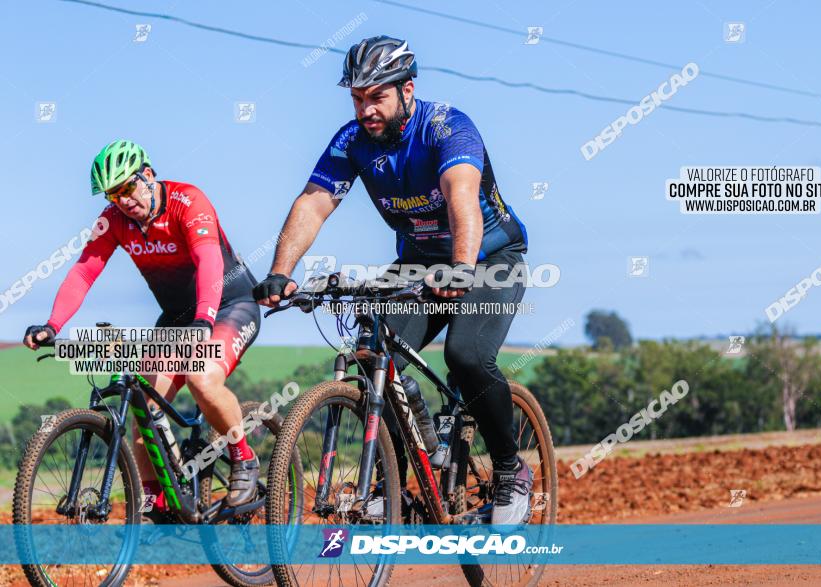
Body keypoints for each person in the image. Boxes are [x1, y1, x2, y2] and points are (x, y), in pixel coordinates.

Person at [252, 36, 533, 524]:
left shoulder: (447, 127)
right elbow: (314, 202)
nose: (366, 110)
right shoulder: (352, 141)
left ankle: (511, 469)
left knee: (465, 357)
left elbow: (460, 197)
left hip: (489, 257)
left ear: (407, 89)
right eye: (357, 99)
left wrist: (461, 268)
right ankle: (398, 476)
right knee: (373, 353)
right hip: (419, 263)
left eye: (376, 97)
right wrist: (281, 271)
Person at [23, 140, 262, 515]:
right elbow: (85, 271)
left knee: (201, 377)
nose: (122, 200)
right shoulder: (115, 220)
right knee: (141, 402)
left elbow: (208, 261)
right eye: (112, 194)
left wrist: (203, 318)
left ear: (147, 175)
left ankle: (244, 457)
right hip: (179, 319)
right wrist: (53, 324)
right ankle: (156, 498)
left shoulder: (188, 201)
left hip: (228, 306)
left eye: (127, 188)